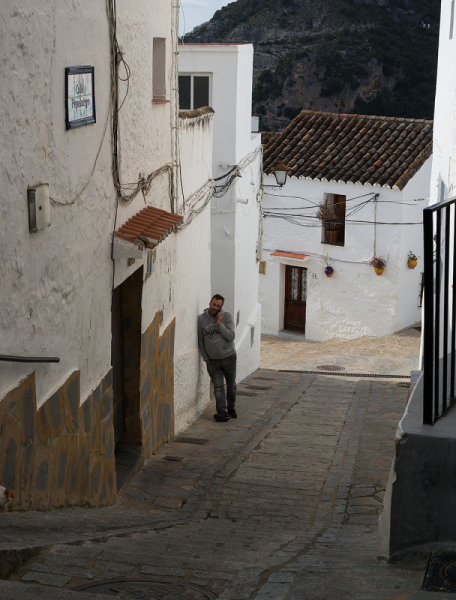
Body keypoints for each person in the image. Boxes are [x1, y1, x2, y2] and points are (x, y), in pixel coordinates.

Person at [197, 294, 237, 422]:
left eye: (218, 306)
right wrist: (206, 358)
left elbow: (231, 336)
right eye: (214, 304)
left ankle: (231, 408)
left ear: (221, 307)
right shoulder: (201, 319)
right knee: (218, 387)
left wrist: (220, 324)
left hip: (229, 357)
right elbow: (200, 340)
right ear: (210, 303)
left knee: (231, 385)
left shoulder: (227, 316)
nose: (215, 308)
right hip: (212, 361)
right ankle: (222, 413)